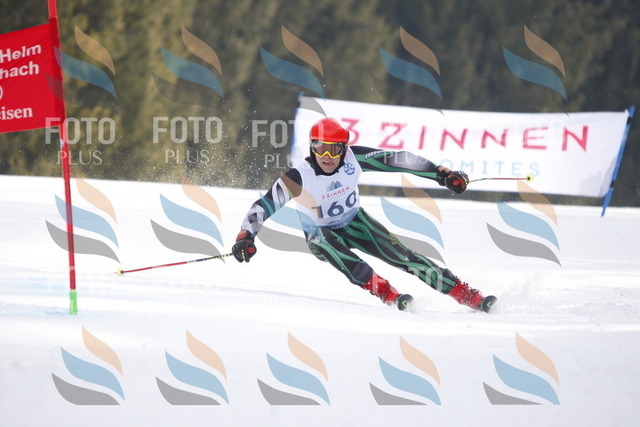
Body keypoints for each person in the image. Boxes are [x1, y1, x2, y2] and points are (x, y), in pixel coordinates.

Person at [232, 117, 496, 312]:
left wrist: (442, 174)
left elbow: (401, 159)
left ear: (345, 149)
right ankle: (386, 292)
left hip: (355, 223)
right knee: (324, 238)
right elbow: (263, 206)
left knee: (404, 257)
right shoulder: (299, 176)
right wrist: (246, 236)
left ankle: (466, 294)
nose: (327, 156)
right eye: (321, 148)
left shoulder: (354, 158)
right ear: (312, 147)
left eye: (335, 149)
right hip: (320, 236)